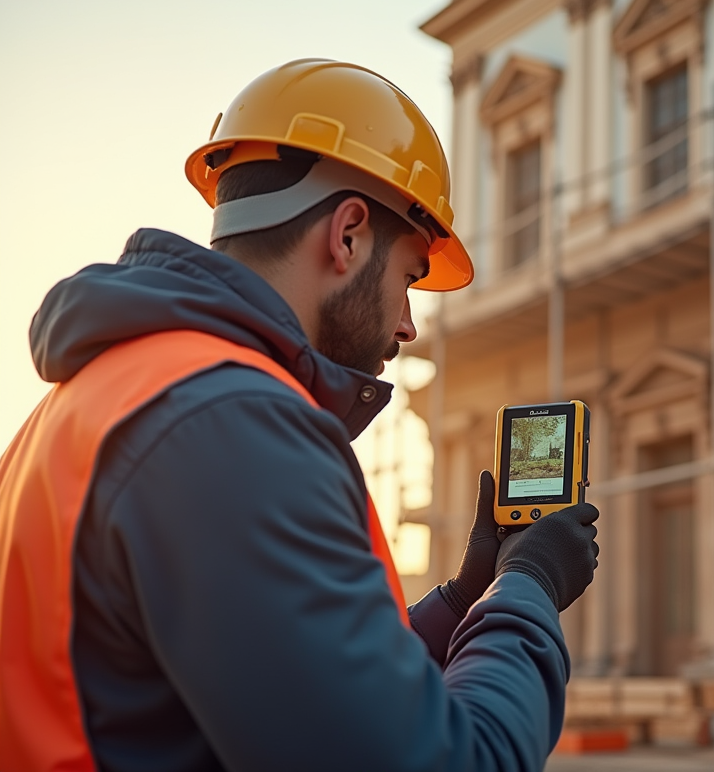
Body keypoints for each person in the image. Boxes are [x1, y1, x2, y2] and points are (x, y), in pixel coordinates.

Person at [0, 59, 600, 771]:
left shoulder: (103, 398)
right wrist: (528, 591)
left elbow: (294, 694)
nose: (409, 325)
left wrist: (465, 600)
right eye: (409, 278)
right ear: (347, 235)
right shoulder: (231, 428)